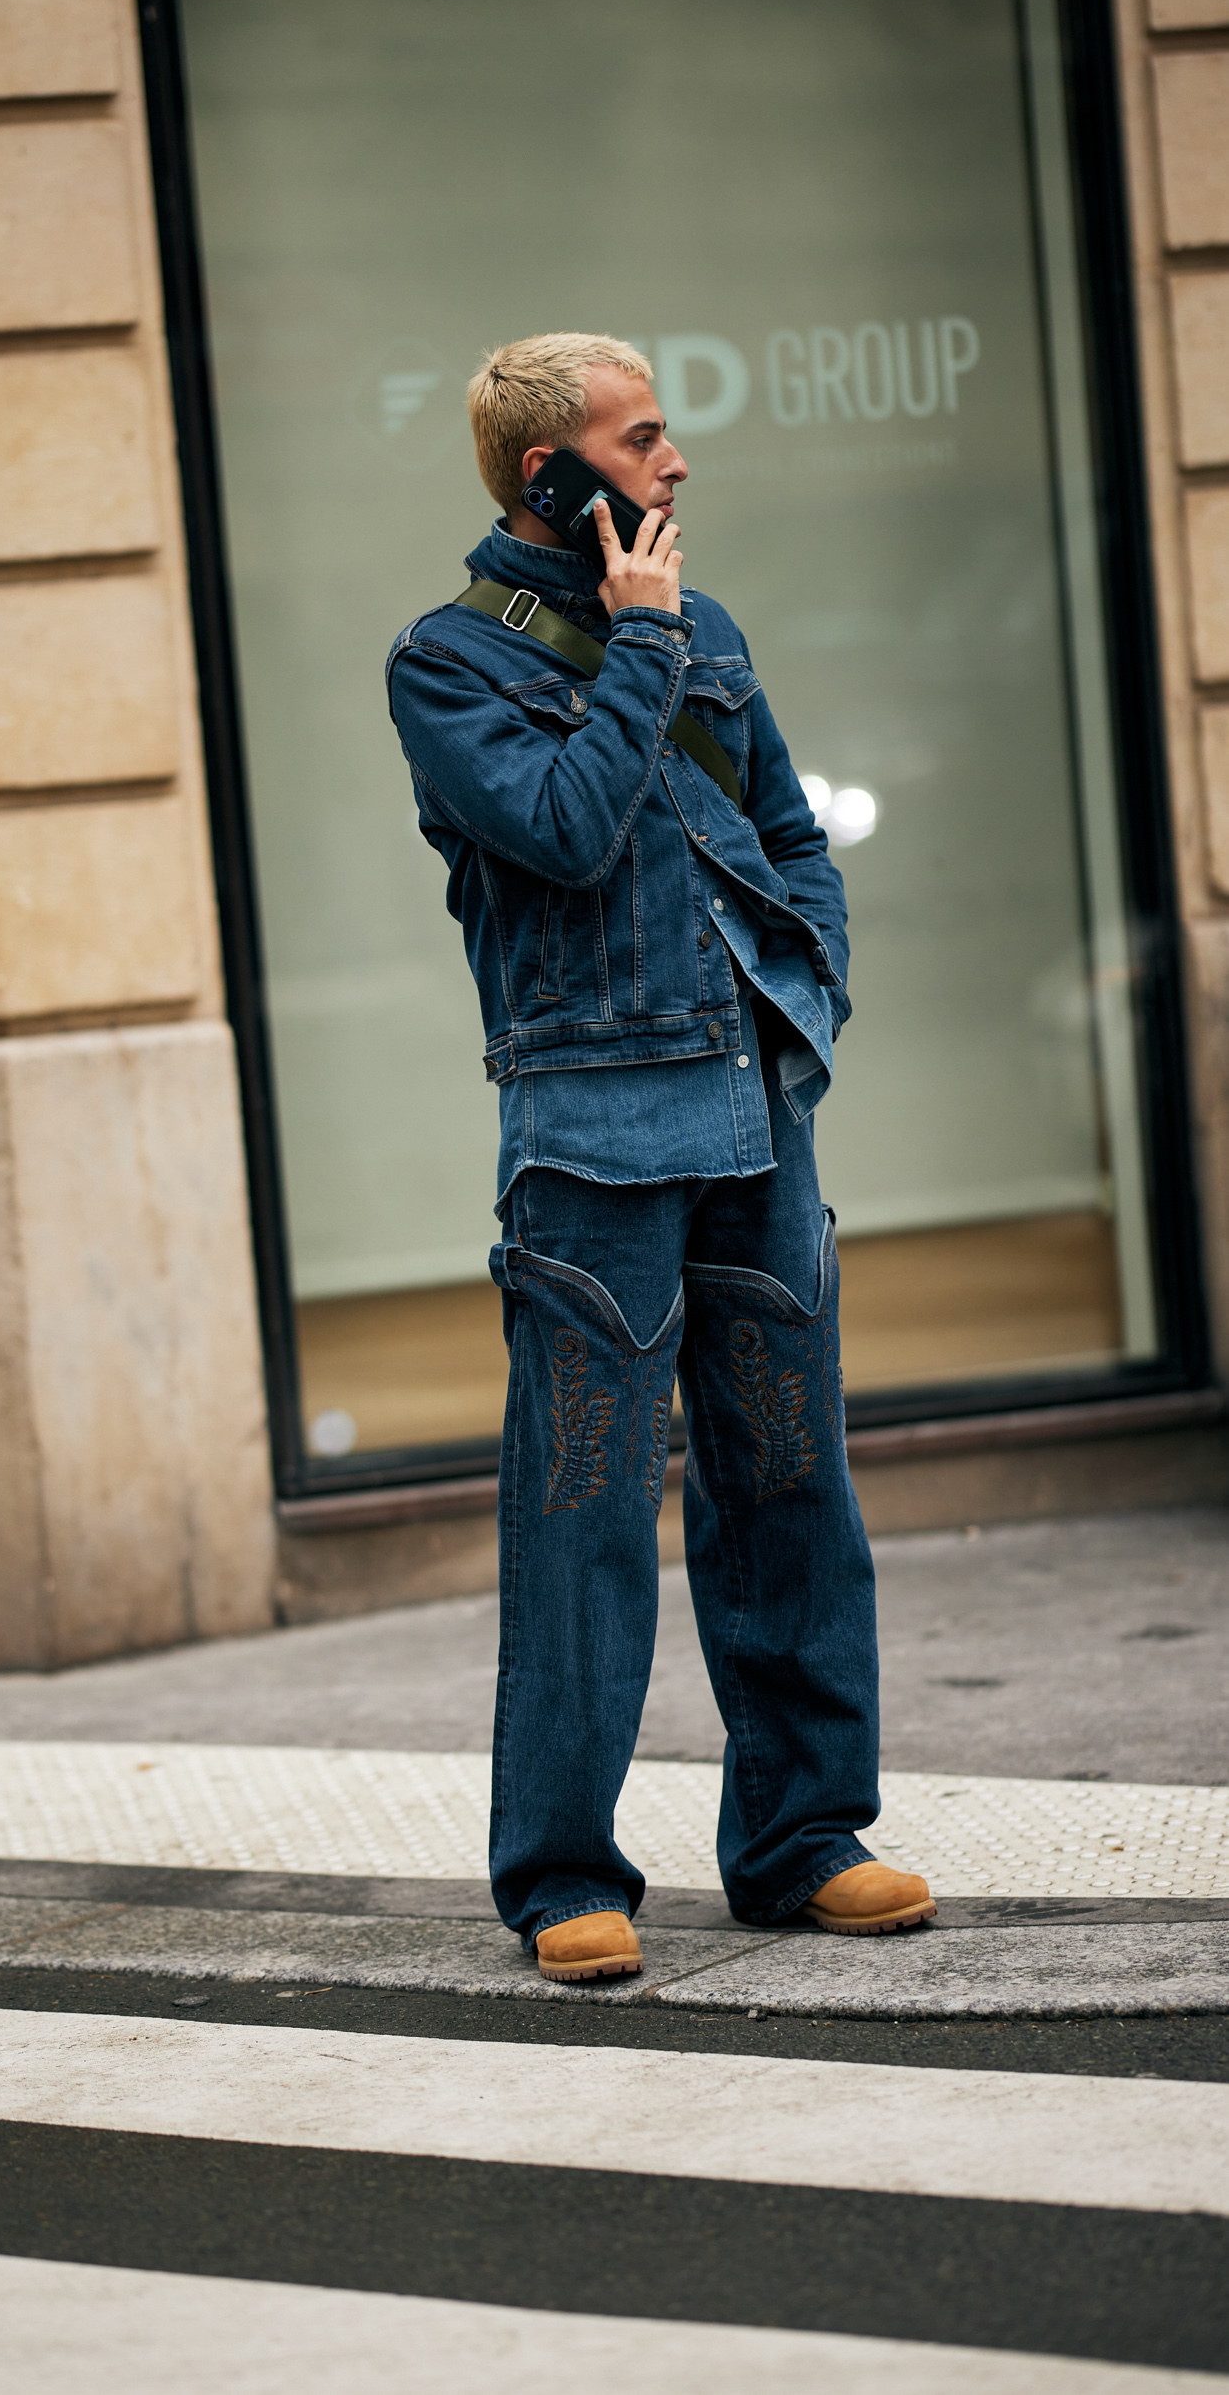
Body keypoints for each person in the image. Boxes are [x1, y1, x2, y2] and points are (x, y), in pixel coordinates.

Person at [385, 332, 935, 1979]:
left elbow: (781, 827)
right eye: (644, 436)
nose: (677, 461)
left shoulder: (712, 633)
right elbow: (556, 825)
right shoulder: (447, 665)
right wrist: (635, 646)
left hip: (754, 1118)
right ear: (556, 476)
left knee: (789, 1488)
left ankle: (805, 1834)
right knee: (586, 1511)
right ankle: (564, 1877)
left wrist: (809, 1000)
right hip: (596, 1139)